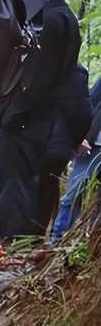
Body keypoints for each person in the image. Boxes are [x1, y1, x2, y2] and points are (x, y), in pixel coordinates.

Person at [0, 0, 89, 240]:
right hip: (33, 124)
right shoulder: (52, 18)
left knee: (18, 194)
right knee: (25, 192)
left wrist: (13, 112)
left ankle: (17, 252)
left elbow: (44, 78)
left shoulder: (54, 21)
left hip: (28, 125)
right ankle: (23, 249)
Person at [52, 78, 101, 238]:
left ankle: (91, 242)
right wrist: (81, 137)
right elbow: (87, 105)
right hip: (94, 147)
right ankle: (58, 240)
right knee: (74, 194)